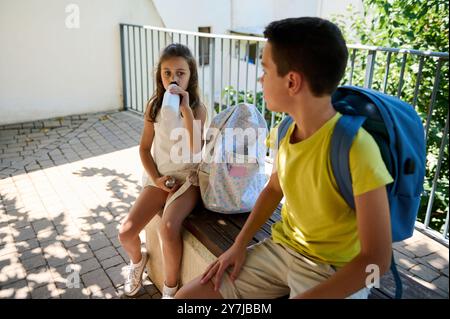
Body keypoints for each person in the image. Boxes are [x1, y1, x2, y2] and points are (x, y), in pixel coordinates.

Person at [175, 17, 393, 299]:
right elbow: (274, 189)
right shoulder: (284, 131)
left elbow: (377, 259)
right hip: (282, 251)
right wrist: (239, 244)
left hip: (334, 270)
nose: (260, 78)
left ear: (291, 82)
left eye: (265, 69)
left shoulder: (355, 149)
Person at [118, 43, 207, 298]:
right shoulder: (154, 106)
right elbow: (145, 149)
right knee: (125, 233)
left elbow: (196, 149)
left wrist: (186, 110)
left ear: (190, 77)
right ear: (160, 75)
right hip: (160, 177)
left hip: (188, 179)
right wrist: (156, 179)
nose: (173, 78)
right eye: (167, 73)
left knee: (168, 228)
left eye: (180, 73)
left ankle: (170, 290)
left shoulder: (197, 108)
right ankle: (137, 262)